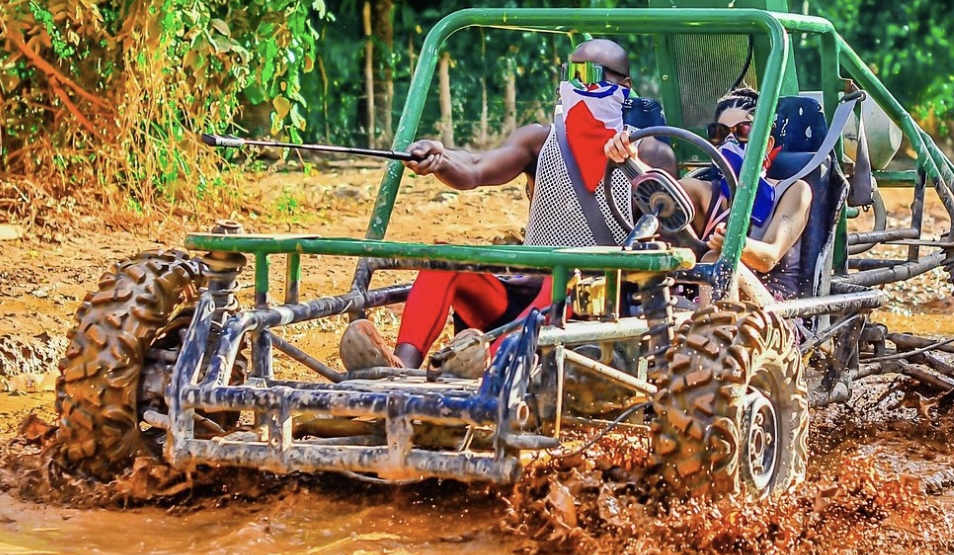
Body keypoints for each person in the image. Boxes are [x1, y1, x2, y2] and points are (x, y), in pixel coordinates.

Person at [339, 39, 676, 373]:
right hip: (526, 291)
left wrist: (633, 166)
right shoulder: (542, 141)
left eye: (592, 75)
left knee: (564, 279)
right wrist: (439, 159)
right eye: (569, 75)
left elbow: (672, 229)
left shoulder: (651, 153)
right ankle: (401, 370)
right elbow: (474, 166)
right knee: (442, 260)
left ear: (625, 86)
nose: (578, 86)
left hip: (594, 303)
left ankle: (487, 369)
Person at [604, 87, 812, 307]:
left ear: (767, 144)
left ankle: (715, 339)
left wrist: (734, 245)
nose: (730, 141)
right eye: (720, 133)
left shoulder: (794, 191)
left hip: (774, 316)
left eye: (744, 130)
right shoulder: (705, 193)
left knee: (715, 260)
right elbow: (660, 192)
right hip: (707, 311)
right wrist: (628, 158)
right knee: (658, 305)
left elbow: (768, 258)